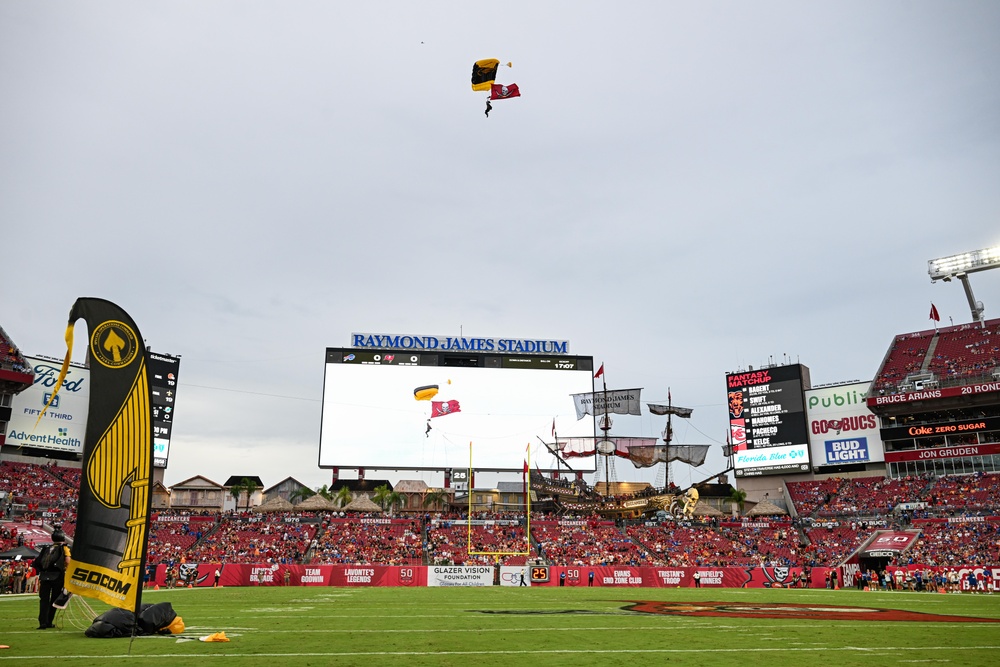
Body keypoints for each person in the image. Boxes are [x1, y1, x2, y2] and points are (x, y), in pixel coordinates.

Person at [33, 529, 70, 630]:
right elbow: (67, 561)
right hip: (57, 576)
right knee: (54, 599)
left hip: (45, 576)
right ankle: (49, 621)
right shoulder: (64, 548)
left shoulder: (46, 548)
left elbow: (37, 562)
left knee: (44, 599)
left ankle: (42, 622)